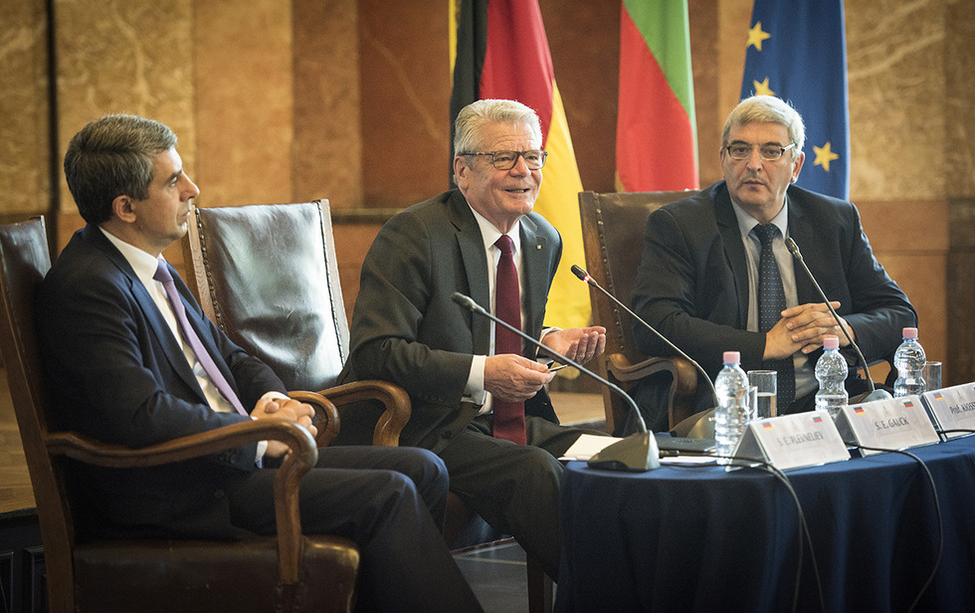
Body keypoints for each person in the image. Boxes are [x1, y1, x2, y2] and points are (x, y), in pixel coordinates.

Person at [36, 114, 482, 612]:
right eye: (172, 180)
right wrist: (252, 432)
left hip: (223, 460)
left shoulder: (148, 265)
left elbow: (228, 356)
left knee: (424, 468)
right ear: (126, 207)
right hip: (179, 490)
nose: (192, 188)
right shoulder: (89, 286)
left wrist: (274, 399)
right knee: (390, 492)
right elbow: (139, 414)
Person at [336, 99, 606, 580]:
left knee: (617, 454)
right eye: (505, 158)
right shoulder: (414, 234)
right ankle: (608, 598)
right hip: (427, 422)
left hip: (509, 418)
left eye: (535, 156)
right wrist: (485, 372)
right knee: (534, 473)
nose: (524, 171)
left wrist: (545, 343)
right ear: (462, 170)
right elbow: (376, 352)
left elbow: (494, 327)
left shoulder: (542, 237)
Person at [629, 95, 917, 432]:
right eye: (739, 150)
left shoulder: (834, 221)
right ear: (723, 159)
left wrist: (845, 330)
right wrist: (765, 345)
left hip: (823, 404)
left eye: (771, 151)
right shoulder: (681, 225)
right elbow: (654, 322)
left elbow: (900, 314)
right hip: (725, 408)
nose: (753, 164)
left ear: (795, 165)